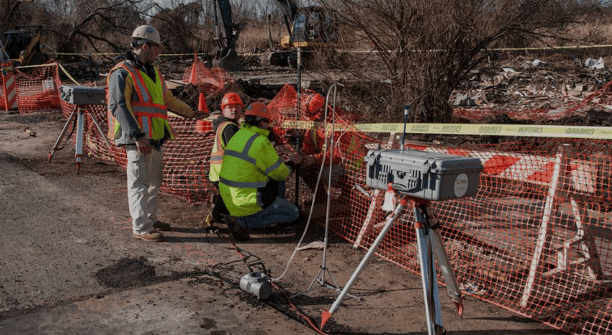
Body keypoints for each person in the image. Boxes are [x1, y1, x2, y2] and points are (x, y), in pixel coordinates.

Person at [107, 25, 207, 242]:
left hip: (155, 136)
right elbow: (119, 106)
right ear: (145, 46)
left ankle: (149, 218)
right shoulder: (122, 72)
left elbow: (166, 100)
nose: (158, 52)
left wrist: (190, 113)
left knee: (153, 181)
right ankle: (141, 227)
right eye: (156, 48)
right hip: (138, 138)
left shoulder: (152, 72)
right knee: (139, 182)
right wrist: (137, 135)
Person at [219, 102, 302, 241]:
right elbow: (280, 174)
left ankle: (242, 217)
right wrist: (293, 162)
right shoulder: (260, 142)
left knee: (273, 187)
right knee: (294, 213)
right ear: (262, 123)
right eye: (267, 122)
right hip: (246, 200)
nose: (269, 126)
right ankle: (243, 222)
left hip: (229, 196)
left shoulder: (238, 136)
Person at [206, 92, 244, 225]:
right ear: (223, 110)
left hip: (218, 172)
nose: (234, 109)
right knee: (233, 199)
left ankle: (216, 209)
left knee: (226, 197)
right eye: (230, 107)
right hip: (224, 173)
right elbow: (236, 152)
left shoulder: (223, 125)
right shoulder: (229, 127)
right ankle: (216, 214)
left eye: (237, 106)